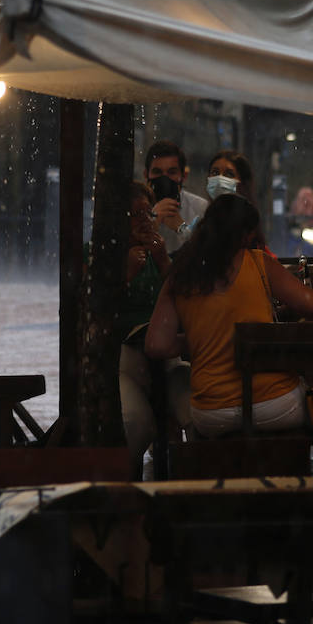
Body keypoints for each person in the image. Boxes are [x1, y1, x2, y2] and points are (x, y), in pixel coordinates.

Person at [144, 194, 313, 437]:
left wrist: (200, 337)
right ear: (246, 234)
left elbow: (156, 345)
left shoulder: (181, 273)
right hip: (274, 405)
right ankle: (297, 467)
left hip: (211, 412)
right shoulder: (258, 263)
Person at [114, 181, 184, 476]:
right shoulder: (100, 254)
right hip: (122, 355)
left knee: (193, 409)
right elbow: (92, 311)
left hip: (166, 352)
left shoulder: (163, 256)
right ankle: (125, 493)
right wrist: (127, 274)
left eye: (147, 214)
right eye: (134, 216)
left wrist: (163, 260)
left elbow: (186, 303)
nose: (143, 222)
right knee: (136, 423)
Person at [144, 139, 208, 253]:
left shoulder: (200, 208)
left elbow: (206, 253)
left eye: (172, 172)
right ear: (146, 175)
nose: (164, 179)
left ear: (184, 176)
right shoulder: (137, 208)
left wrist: (182, 229)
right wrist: (152, 224)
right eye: (157, 172)